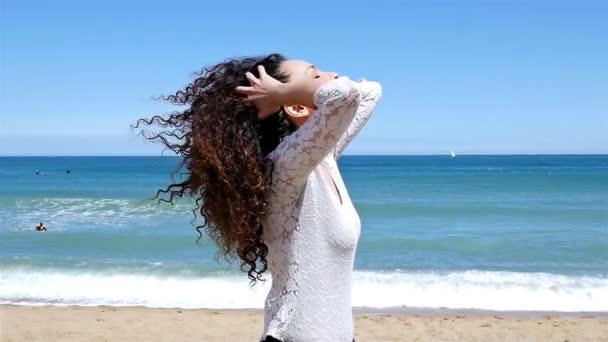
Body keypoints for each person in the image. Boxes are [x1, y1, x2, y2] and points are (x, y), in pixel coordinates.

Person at [135, 54, 381, 342]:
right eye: (315, 75)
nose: (333, 74)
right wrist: (282, 93)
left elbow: (371, 91)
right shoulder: (286, 166)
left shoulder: (323, 157)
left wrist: (285, 93)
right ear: (296, 106)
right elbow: (347, 95)